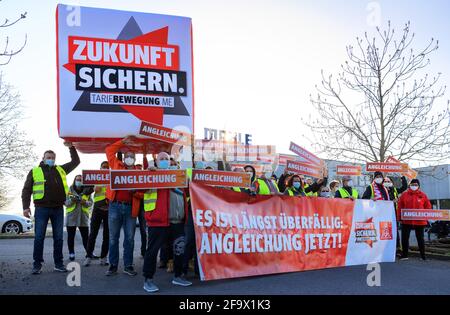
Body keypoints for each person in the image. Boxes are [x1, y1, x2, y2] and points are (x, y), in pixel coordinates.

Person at [21, 142, 80, 274]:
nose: (51, 159)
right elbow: (26, 190)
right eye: (48, 157)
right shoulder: (35, 171)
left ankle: (58, 264)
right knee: (39, 237)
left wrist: (71, 147)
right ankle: (37, 264)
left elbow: (76, 161)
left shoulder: (61, 169)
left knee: (58, 238)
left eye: (53, 158)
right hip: (41, 209)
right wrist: (25, 207)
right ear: (43, 158)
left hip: (58, 209)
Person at [142, 152, 192, 293]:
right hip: (158, 222)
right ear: (156, 162)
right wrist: (148, 174)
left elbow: (187, 193)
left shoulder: (179, 176)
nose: (165, 161)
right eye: (161, 159)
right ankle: (148, 280)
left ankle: (178, 276)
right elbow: (140, 189)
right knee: (152, 251)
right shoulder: (151, 175)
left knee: (179, 250)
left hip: (178, 221)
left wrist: (186, 180)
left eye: (167, 159)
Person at [104, 136, 139, 277]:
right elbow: (109, 150)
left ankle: (128, 266)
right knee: (113, 238)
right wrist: (123, 142)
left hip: (131, 207)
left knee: (129, 238)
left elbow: (144, 193)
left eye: (132, 156)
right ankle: (113, 266)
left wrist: (135, 192)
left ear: (135, 159)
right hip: (115, 206)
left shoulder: (138, 172)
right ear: (124, 158)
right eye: (127, 156)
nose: (129, 158)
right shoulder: (116, 165)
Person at [84, 161, 110, 267]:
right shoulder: (95, 177)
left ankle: (104, 258)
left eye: (107, 167)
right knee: (93, 234)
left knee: (107, 235)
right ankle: (88, 256)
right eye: (103, 167)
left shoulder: (112, 177)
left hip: (109, 209)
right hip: (97, 209)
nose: (105, 168)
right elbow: (85, 190)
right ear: (99, 168)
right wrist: (93, 188)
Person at [397, 179, 431, 261]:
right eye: (412, 184)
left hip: (420, 221)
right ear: (409, 185)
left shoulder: (423, 195)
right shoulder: (404, 195)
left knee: (420, 238)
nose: (414, 186)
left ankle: (423, 256)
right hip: (406, 221)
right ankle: (404, 255)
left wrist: (425, 217)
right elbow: (400, 207)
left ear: (419, 186)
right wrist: (399, 218)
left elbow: (428, 207)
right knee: (405, 238)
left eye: (416, 184)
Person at [65, 175, 92, 261]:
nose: (79, 181)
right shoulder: (69, 190)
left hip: (83, 217)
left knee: (86, 237)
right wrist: (72, 201)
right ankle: (71, 253)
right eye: (77, 179)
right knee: (71, 237)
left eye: (80, 180)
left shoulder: (87, 190)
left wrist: (85, 202)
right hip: (71, 217)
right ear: (74, 180)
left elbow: (91, 203)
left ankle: (88, 253)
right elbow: (66, 203)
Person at [384, 176, 408, 253]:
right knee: (385, 231)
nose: (387, 183)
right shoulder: (381, 190)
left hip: (393, 213)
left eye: (389, 181)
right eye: (386, 181)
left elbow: (404, 187)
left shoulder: (394, 190)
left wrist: (403, 178)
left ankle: (397, 247)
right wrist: (391, 201)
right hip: (383, 214)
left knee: (395, 231)